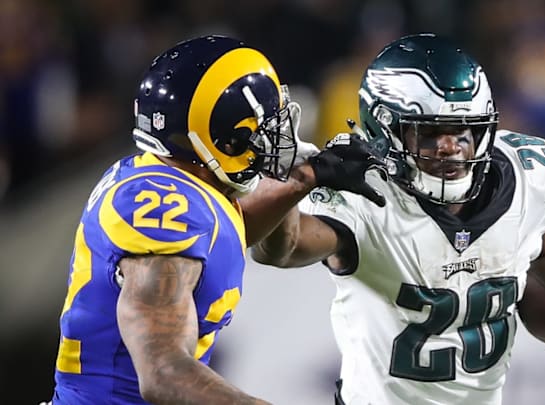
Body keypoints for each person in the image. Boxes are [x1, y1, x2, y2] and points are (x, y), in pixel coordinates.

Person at [247, 33, 545, 405]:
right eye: (429, 133)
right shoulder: (366, 194)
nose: (451, 148)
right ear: (383, 131)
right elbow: (281, 249)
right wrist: (294, 183)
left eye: (463, 131)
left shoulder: (532, 180)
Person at [48, 35, 384, 405]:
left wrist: (305, 178)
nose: (278, 133)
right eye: (265, 124)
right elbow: (164, 373)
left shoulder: (181, 184)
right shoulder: (163, 210)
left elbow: (234, 240)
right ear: (226, 137)